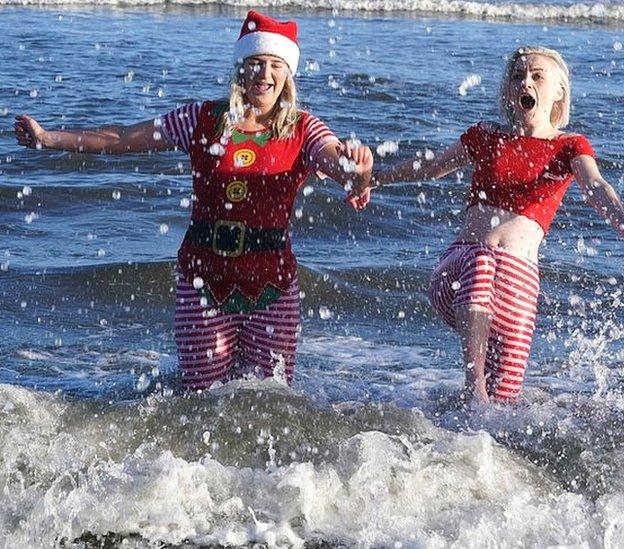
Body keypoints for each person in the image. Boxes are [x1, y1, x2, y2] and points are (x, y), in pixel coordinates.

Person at [14, 10, 373, 391]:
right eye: (255, 63)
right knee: (199, 401)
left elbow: (339, 164)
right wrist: (49, 139)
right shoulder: (201, 119)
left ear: (287, 74)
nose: (264, 75)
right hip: (202, 282)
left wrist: (358, 171)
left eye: (274, 65)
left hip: (272, 288)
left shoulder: (303, 128)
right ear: (240, 68)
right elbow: (123, 137)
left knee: (270, 403)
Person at [349, 46, 624, 404]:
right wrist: (373, 180)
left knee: (501, 410)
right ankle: (472, 382)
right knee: (484, 260)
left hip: (519, 287)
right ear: (510, 91)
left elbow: (596, 187)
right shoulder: (486, 136)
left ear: (558, 90)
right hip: (461, 271)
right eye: (518, 76)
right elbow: (431, 167)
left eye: (537, 75)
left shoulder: (570, 146)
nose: (525, 81)